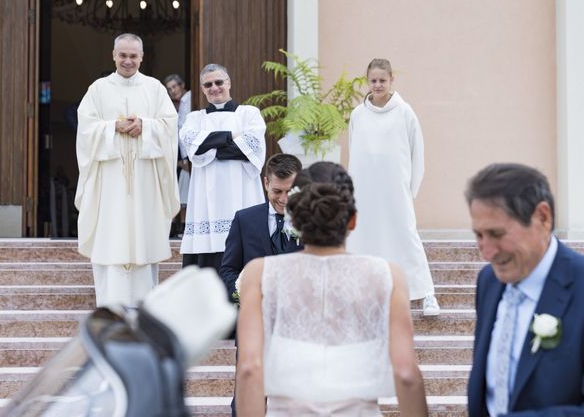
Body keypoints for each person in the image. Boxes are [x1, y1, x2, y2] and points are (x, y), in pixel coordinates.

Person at [236, 163, 428, 416]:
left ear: (295, 217)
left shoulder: (259, 273)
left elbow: (249, 367)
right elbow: (406, 373)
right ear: (353, 220)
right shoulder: (387, 275)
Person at [466, 163, 584, 416]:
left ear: (542, 217)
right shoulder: (488, 281)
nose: (487, 252)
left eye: (497, 234)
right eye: (479, 235)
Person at [75, 33, 179, 307]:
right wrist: (113, 127)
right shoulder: (98, 89)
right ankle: (110, 303)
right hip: (109, 179)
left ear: (142, 57)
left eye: (133, 56)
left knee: (142, 237)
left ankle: (143, 304)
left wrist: (146, 125)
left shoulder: (155, 88)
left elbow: (170, 125)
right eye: (123, 55)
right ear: (113, 55)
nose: (128, 61)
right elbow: (85, 128)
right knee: (112, 235)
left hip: (144, 176)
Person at [347, 58, 439, 316]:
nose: (377, 85)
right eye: (373, 80)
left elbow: (416, 155)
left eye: (382, 80)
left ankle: (426, 294)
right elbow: (354, 153)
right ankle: (360, 293)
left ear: (391, 81)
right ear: (368, 81)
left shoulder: (404, 112)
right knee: (362, 237)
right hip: (364, 190)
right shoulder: (358, 115)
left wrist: (409, 191)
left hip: (395, 190)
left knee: (406, 236)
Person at [179, 63, 267, 273]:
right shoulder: (194, 118)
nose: (214, 88)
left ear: (228, 83)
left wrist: (210, 144)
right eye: (208, 84)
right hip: (205, 197)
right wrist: (231, 137)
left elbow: (251, 149)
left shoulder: (249, 113)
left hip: (242, 190)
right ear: (202, 89)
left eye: (219, 82)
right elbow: (194, 149)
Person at [220, 153, 303, 300]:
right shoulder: (244, 219)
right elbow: (229, 269)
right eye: (277, 191)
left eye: (289, 191)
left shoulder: (311, 222)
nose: (284, 199)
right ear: (266, 184)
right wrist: (244, 297)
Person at [164, 74, 192, 237]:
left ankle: (182, 227)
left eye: (174, 87)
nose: (173, 91)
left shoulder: (189, 99)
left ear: (182, 86)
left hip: (188, 154)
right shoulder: (177, 105)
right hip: (180, 154)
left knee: (185, 191)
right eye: (169, 89)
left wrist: (186, 158)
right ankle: (177, 227)